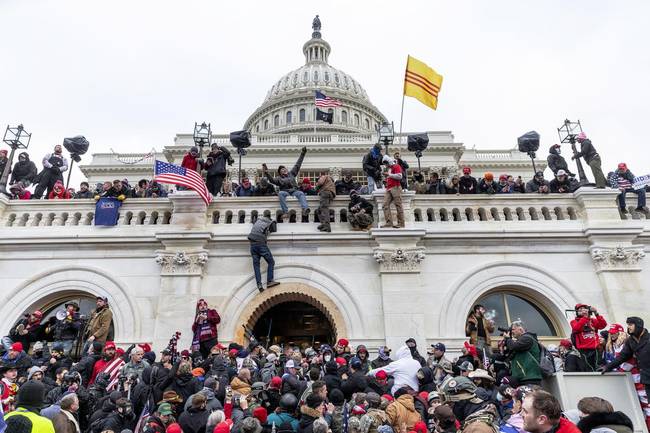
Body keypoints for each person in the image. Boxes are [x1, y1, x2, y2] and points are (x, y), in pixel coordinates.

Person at [602, 317, 650, 394]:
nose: (628, 327)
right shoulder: (630, 340)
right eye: (628, 325)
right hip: (646, 379)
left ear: (638, 325)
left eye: (630, 325)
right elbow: (623, 356)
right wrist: (608, 367)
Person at [263, 147, 310, 220]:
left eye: (285, 169)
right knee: (281, 193)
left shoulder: (292, 173)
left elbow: (298, 164)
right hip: (285, 192)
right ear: (280, 172)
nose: (284, 170)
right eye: (282, 170)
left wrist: (302, 153)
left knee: (300, 193)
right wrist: (267, 173)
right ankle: (285, 212)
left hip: (294, 191)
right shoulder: (279, 178)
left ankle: (305, 208)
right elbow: (272, 180)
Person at [248, 215, 281, 292]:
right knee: (271, 262)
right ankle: (270, 281)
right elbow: (274, 229)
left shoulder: (258, 221)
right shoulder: (270, 221)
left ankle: (259, 284)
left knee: (256, 266)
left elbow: (253, 222)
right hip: (260, 244)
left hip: (252, 245)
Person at [505, 320, 542, 386]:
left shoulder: (527, 338)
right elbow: (509, 356)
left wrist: (508, 339)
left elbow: (513, 346)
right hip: (523, 377)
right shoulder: (521, 340)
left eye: (513, 329)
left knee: (531, 396)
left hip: (530, 378)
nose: (512, 331)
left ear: (520, 329)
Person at [570, 304, 607, 372]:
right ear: (577, 312)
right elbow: (576, 328)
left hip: (596, 347)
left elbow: (603, 325)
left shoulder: (592, 320)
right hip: (584, 349)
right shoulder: (574, 321)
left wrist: (596, 313)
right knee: (589, 368)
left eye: (584, 309)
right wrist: (585, 317)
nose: (582, 311)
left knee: (598, 367)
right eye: (580, 310)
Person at [381, 156, 405, 228]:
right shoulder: (390, 169)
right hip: (389, 188)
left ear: (389, 161)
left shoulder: (396, 166)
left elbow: (400, 176)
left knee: (398, 205)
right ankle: (389, 223)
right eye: (385, 164)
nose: (386, 165)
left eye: (386, 163)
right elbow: (392, 177)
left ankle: (401, 223)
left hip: (396, 187)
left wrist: (389, 175)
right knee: (385, 205)